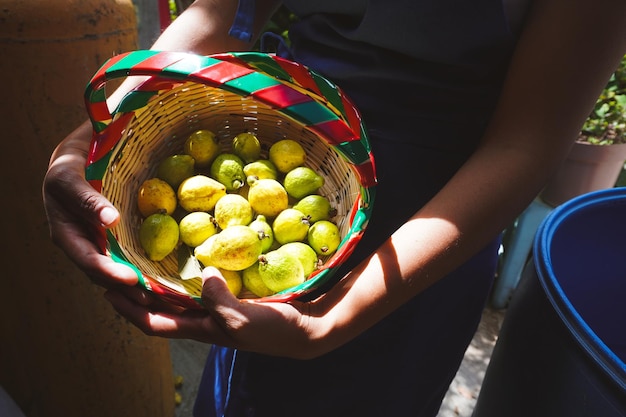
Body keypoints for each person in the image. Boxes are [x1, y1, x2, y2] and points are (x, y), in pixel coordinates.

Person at [42, 0, 626, 416]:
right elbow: (215, 16)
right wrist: (101, 133)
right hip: (290, 140)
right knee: (237, 396)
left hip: (431, 234)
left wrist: (333, 320)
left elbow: (524, 143)